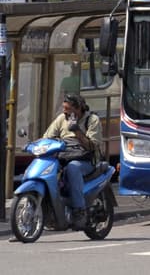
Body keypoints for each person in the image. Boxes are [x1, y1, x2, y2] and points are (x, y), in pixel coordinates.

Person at [42, 93, 101, 228]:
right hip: (63, 157)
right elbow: (47, 136)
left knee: (72, 168)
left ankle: (79, 211)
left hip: (86, 161)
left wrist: (77, 131)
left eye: (67, 109)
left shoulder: (92, 120)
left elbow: (92, 146)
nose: (64, 111)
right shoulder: (62, 118)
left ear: (78, 108)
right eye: (64, 108)